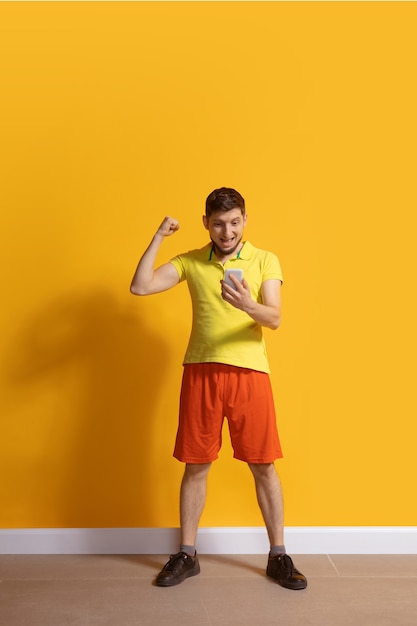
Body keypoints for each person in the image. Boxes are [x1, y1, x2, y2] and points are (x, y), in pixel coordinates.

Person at [130, 187, 307, 590]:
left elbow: (275, 317)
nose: (226, 231)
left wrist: (247, 304)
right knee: (196, 464)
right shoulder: (192, 261)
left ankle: (278, 554)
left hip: (249, 374)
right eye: (218, 223)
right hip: (201, 372)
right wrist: (158, 237)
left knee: (263, 464)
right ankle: (186, 553)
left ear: (244, 220)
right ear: (206, 223)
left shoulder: (265, 259)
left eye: (234, 222)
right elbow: (140, 287)